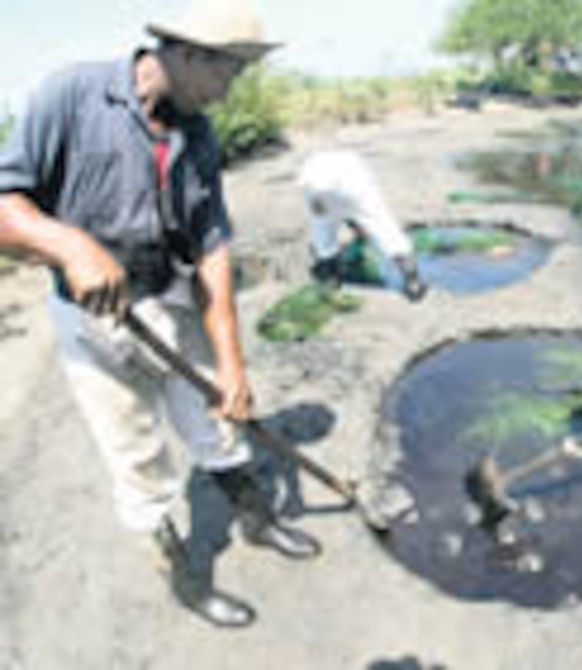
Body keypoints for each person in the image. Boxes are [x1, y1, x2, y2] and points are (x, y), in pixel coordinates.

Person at [0, 0, 321, 628]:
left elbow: (212, 250)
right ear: (186, 53)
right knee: (137, 455)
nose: (229, 92)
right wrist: (70, 245)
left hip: (168, 298)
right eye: (227, 72)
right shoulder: (73, 95)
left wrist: (232, 364)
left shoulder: (197, 134)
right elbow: (5, 203)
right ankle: (184, 577)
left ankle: (256, 519)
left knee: (217, 419)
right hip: (90, 319)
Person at [298, 150, 428, 301]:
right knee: (384, 229)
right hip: (349, 186)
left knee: (324, 231)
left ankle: (330, 277)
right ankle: (413, 282)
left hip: (317, 188)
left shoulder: (315, 169)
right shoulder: (354, 168)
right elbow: (355, 213)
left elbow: (334, 215)